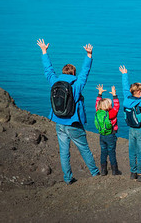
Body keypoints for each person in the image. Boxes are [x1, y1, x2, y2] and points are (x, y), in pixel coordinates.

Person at [37, 39, 99, 184]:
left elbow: (48, 70)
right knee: (84, 149)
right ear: (73, 73)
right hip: (73, 123)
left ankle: (68, 178)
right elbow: (85, 73)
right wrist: (89, 55)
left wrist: (44, 51)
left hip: (59, 122)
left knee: (64, 153)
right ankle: (95, 175)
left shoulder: (54, 82)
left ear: (63, 73)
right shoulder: (76, 85)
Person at [95, 84, 121, 176]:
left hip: (102, 135)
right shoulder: (111, 113)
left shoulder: (98, 112)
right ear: (108, 106)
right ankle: (115, 171)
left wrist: (99, 93)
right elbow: (117, 106)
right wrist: (114, 95)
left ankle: (103, 171)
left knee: (103, 152)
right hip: (111, 134)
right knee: (111, 152)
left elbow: (97, 104)